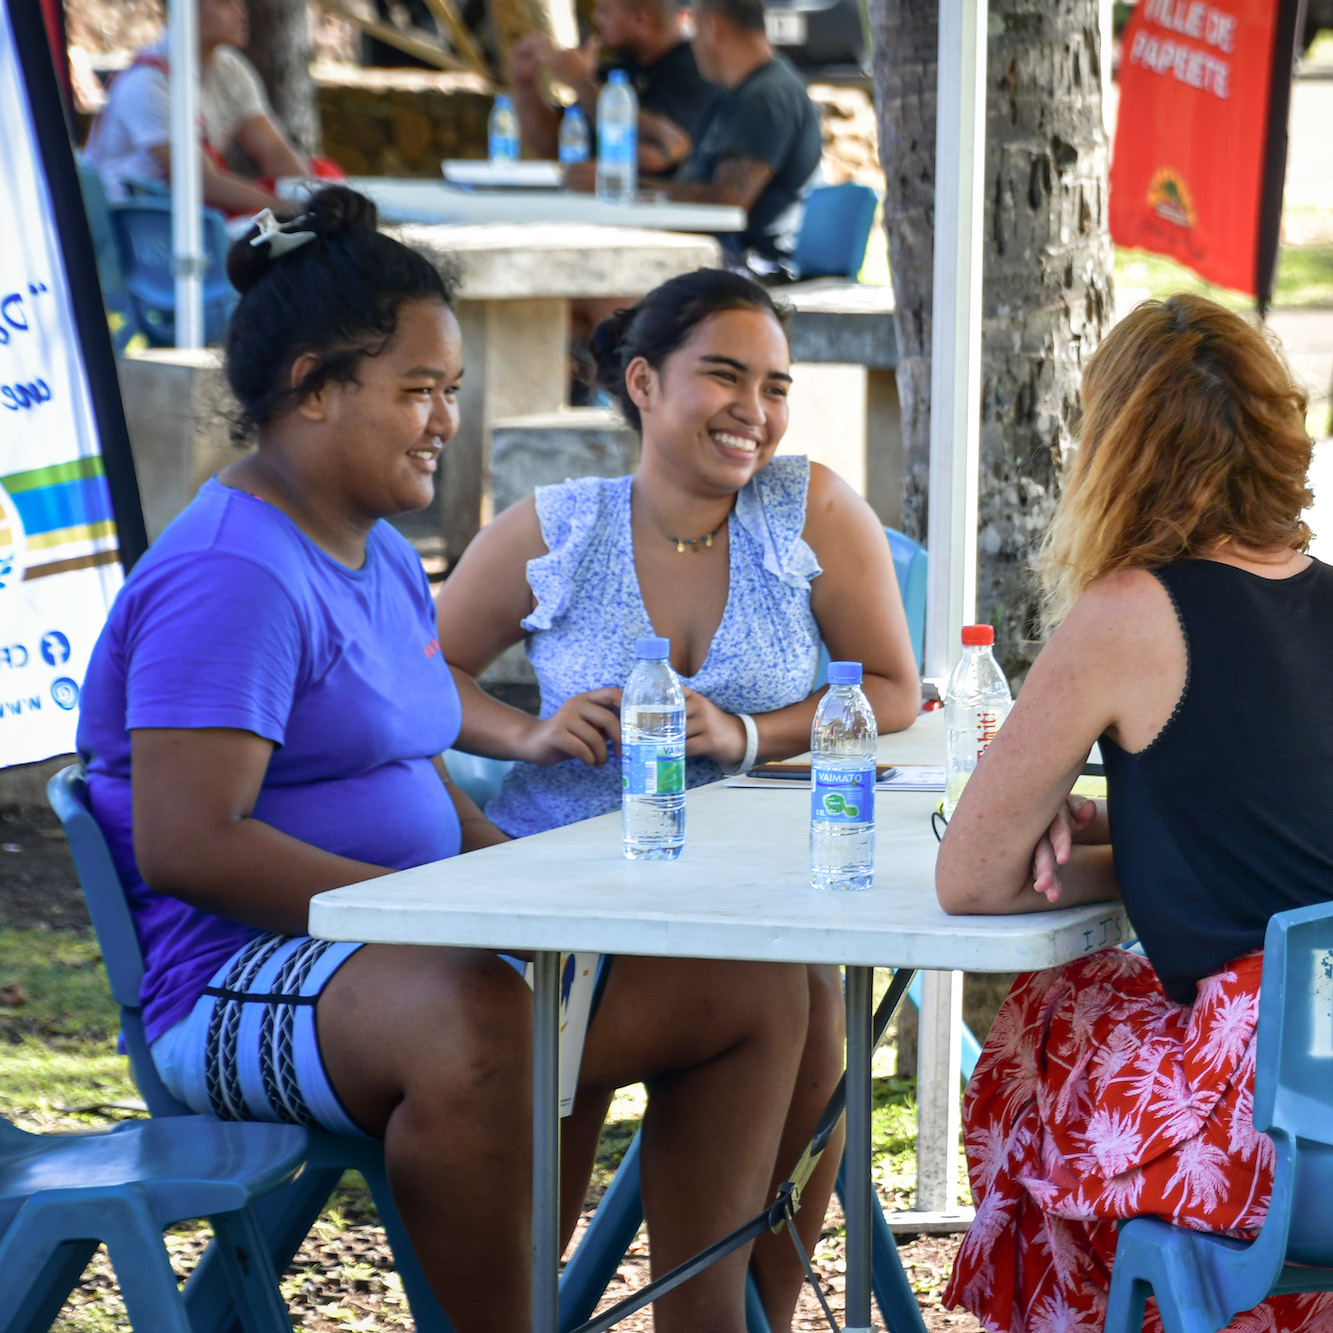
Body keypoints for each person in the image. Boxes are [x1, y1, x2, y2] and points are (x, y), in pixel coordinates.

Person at [78, 187, 822, 1332]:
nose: (442, 421)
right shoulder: (233, 571)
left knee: (753, 985)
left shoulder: (368, 550)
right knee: (480, 1015)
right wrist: (437, 908)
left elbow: (407, 773)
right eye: (416, 391)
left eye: (452, 393)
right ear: (313, 388)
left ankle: (708, 1320)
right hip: (229, 986)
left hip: (403, 954)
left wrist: (520, 892)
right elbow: (188, 842)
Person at [932, 294, 1333, 1333]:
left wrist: (1076, 831)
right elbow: (1277, 843)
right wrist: (1130, 838)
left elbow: (970, 877)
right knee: (1091, 1024)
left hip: (1294, 1122)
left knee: (1046, 1024)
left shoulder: (1129, 610)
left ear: (1114, 450)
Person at [432, 266, 921, 1316]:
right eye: (725, 377)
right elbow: (417, 672)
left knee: (798, 997)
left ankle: (731, 1309)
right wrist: (527, 728)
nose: (755, 411)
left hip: (755, 889)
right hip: (574, 906)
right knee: (776, 998)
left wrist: (747, 732)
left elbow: (892, 688)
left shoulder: (809, 509)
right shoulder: (562, 527)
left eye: (776, 385)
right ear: (644, 381)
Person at [82, 0, 312, 214]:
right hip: (133, 225)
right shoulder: (147, 81)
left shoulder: (230, 69)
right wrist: (288, 207)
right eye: (224, 2)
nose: (240, 10)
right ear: (187, 10)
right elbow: (200, 180)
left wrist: (313, 195)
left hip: (184, 214)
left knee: (323, 173)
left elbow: (272, 148)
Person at [659, 0, 822, 269]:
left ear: (714, 27)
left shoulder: (767, 96)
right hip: (715, 256)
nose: (692, 44)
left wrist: (637, 193)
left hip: (752, 265)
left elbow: (728, 200)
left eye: (694, 30)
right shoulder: (734, 94)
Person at [510, 0, 722, 182]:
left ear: (642, 20)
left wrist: (583, 83)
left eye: (605, 10)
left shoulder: (697, 71)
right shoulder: (618, 73)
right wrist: (525, 83)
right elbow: (555, 145)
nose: (595, 18)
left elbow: (662, 149)